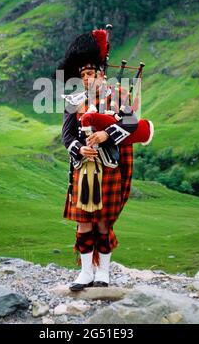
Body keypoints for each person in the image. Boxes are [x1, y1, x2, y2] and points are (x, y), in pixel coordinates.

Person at [58, 31, 137, 291]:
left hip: (111, 167)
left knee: (103, 222)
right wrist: (79, 149)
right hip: (84, 170)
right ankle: (84, 273)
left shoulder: (120, 96)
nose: (86, 79)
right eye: (82, 76)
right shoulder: (74, 102)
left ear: (101, 74)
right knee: (84, 222)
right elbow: (66, 136)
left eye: (90, 74)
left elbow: (132, 123)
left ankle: (103, 272)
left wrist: (107, 133)